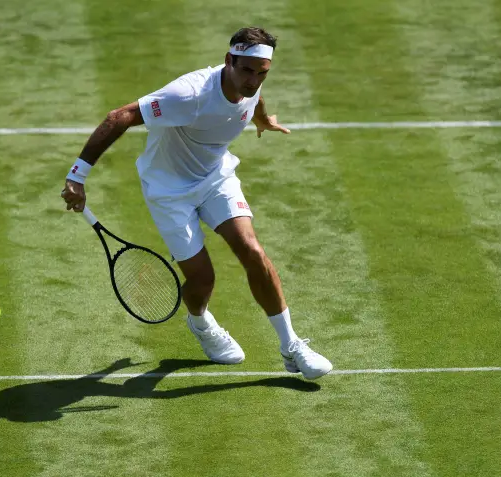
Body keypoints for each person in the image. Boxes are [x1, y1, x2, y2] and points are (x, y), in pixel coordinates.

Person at [61, 27, 332, 380]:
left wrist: (262, 118)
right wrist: (77, 176)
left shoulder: (253, 78)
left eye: (261, 72)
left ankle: (292, 347)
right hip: (168, 191)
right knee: (202, 279)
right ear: (228, 61)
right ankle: (201, 323)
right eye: (247, 70)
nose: (253, 80)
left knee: (252, 251)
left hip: (215, 178)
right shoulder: (187, 95)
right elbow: (120, 116)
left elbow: (253, 97)